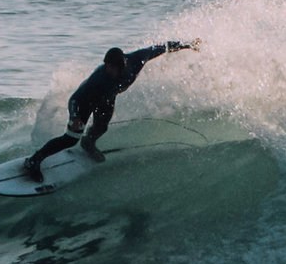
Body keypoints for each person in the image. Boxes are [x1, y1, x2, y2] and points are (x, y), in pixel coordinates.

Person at [21, 38, 197, 181]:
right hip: (85, 101)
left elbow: (160, 48)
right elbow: (74, 98)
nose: (108, 69)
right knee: (70, 139)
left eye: (111, 68)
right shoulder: (98, 78)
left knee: (101, 127)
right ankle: (34, 160)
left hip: (106, 100)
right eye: (106, 66)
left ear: (122, 66)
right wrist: (75, 117)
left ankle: (88, 143)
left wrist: (186, 45)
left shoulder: (136, 60)